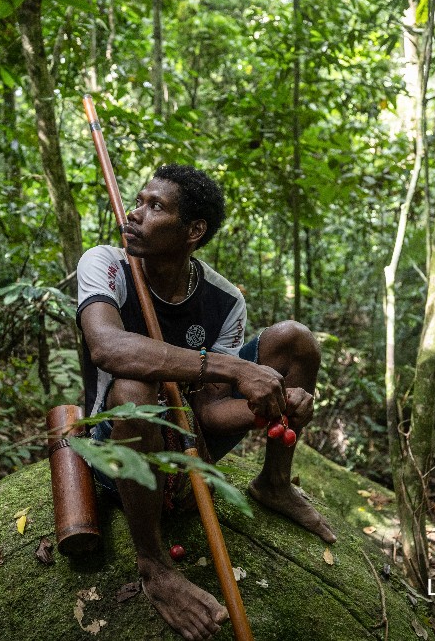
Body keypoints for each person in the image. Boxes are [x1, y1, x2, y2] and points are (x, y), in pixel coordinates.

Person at [76, 164, 336, 641]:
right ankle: (153, 566)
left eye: (156, 207)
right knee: (134, 391)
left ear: (193, 231)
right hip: (120, 450)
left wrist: (273, 407)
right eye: (139, 200)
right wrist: (233, 367)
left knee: (295, 339)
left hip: (192, 442)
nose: (135, 213)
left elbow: (212, 412)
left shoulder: (222, 298)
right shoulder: (106, 263)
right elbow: (107, 348)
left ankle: (275, 483)